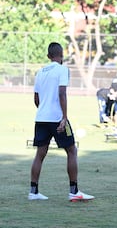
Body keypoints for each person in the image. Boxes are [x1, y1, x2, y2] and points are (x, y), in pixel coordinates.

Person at [29, 42, 94, 201]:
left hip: (41, 118)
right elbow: (62, 93)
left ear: (48, 56)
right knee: (72, 151)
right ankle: (74, 191)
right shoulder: (63, 70)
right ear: (62, 55)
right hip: (57, 118)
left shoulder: (40, 72)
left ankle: (33, 192)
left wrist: (43, 109)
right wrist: (64, 117)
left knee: (40, 154)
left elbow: (36, 98)